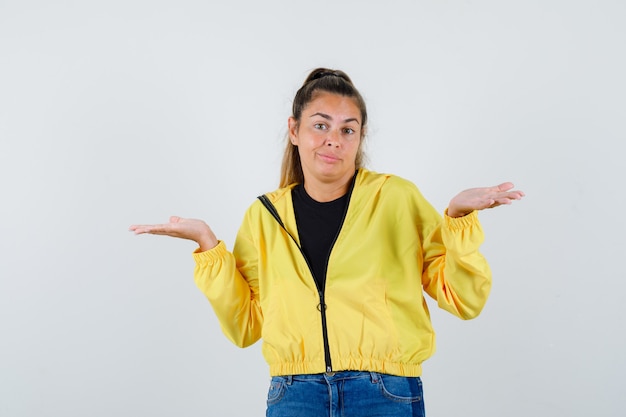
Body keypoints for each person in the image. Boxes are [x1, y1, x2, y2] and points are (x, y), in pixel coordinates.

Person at [129, 68, 524, 417]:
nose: (333, 139)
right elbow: (245, 326)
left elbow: (465, 300)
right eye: (321, 125)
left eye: (347, 129)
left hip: (384, 393)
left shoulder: (397, 199)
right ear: (294, 130)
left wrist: (456, 219)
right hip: (294, 395)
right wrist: (207, 245)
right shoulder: (264, 216)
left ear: (359, 137)